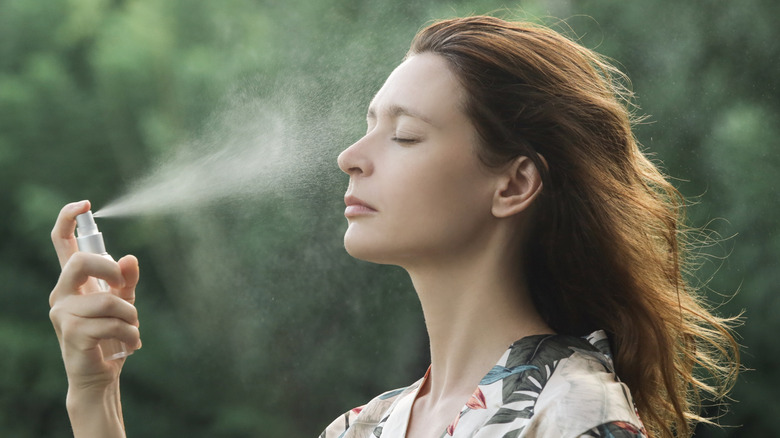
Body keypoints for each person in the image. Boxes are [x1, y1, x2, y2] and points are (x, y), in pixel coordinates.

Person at [49, 16, 739, 438]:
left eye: (404, 136)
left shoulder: (573, 417)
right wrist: (95, 395)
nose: (351, 158)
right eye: (366, 127)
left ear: (515, 183)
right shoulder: (366, 427)